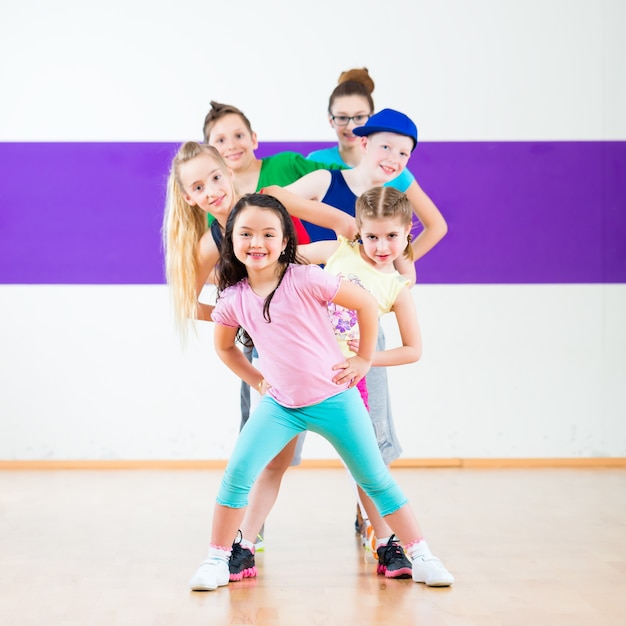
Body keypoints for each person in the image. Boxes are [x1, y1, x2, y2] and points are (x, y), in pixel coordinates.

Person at [188, 193, 454, 591]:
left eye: (267, 233)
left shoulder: (307, 277)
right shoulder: (235, 298)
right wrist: (258, 380)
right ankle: (215, 559)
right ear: (232, 242)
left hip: (335, 400)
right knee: (237, 475)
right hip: (280, 406)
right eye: (245, 234)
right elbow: (224, 347)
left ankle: (421, 554)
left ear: (284, 242)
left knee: (375, 478)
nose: (256, 242)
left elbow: (364, 304)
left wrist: (364, 360)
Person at [162, 142, 358, 580]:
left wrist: (369, 271)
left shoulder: (272, 198)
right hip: (273, 357)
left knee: (365, 448)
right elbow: (190, 305)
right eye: (198, 186)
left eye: (215, 177)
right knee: (274, 457)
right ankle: (244, 542)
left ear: (228, 171)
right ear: (189, 197)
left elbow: (343, 230)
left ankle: (387, 538)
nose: (212, 190)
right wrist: (243, 317)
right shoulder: (211, 243)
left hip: (334, 334)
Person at [203, 100, 346, 485]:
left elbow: (339, 176)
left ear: (254, 138)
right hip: (259, 325)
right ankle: (250, 525)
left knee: (351, 416)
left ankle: (373, 521)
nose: (231, 144)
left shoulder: (283, 168)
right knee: (262, 427)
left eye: (238, 134)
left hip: (311, 306)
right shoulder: (217, 201)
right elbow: (211, 276)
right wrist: (225, 313)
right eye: (220, 139)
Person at [306, 68, 447, 262]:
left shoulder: (396, 172)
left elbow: (437, 225)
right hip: (319, 271)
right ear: (330, 119)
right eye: (342, 117)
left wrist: (399, 265)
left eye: (359, 117)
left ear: (371, 118)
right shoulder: (316, 164)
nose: (351, 126)